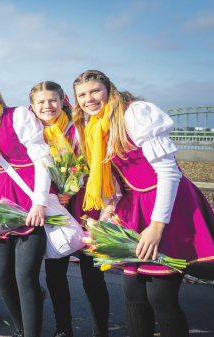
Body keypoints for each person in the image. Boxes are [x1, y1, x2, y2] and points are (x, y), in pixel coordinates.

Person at [72, 70, 214, 337]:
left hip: (165, 203)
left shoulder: (135, 114)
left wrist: (157, 227)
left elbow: (169, 172)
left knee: (160, 295)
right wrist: (110, 208)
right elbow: (112, 176)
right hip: (133, 204)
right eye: (82, 95)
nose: (89, 99)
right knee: (133, 290)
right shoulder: (94, 126)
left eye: (95, 91)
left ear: (108, 89)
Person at [0, 75, 51, 337]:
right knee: (3, 277)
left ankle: (32, 333)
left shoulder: (17, 116)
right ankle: (21, 328)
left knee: (25, 278)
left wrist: (39, 202)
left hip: (25, 198)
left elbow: (42, 159)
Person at [29, 81, 110, 337]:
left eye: (52, 100)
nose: (47, 106)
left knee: (93, 277)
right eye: (40, 102)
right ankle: (64, 328)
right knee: (54, 275)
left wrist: (73, 187)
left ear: (62, 100)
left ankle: (101, 331)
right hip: (56, 211)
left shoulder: (80, 130)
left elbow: (98, 166)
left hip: (86, 208)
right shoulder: (32, 134)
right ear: (33, 106)